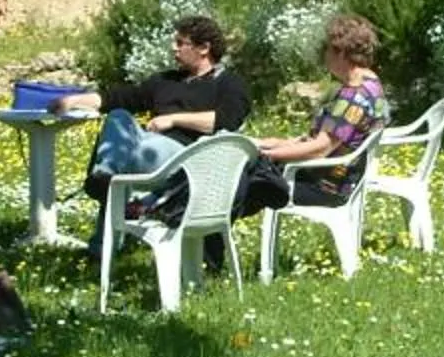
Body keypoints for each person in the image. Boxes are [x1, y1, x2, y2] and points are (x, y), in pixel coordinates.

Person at [62, 14, 252, 201]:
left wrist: (173, 120)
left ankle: (112, 184)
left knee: (146, 147)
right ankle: (104, 178)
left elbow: (226, 120)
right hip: (147, 143)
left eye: (180, 43)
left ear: (204, 48)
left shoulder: (229, 83)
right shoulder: (166, 81)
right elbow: (121, 97)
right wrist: (75, 101)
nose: (173, 48)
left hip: (185, 156)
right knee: (118, 116)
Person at [231, 13, 387, 223]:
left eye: (327, 49)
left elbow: (320, 149)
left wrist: (268, 156)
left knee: (240, 181)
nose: (324, 55)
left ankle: (209, 235)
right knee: (247, 175)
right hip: (332, 177)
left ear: (341, 51)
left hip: (324, 186)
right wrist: (267, 144)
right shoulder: (372, 84)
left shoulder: (353, 97)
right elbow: (322, 141)